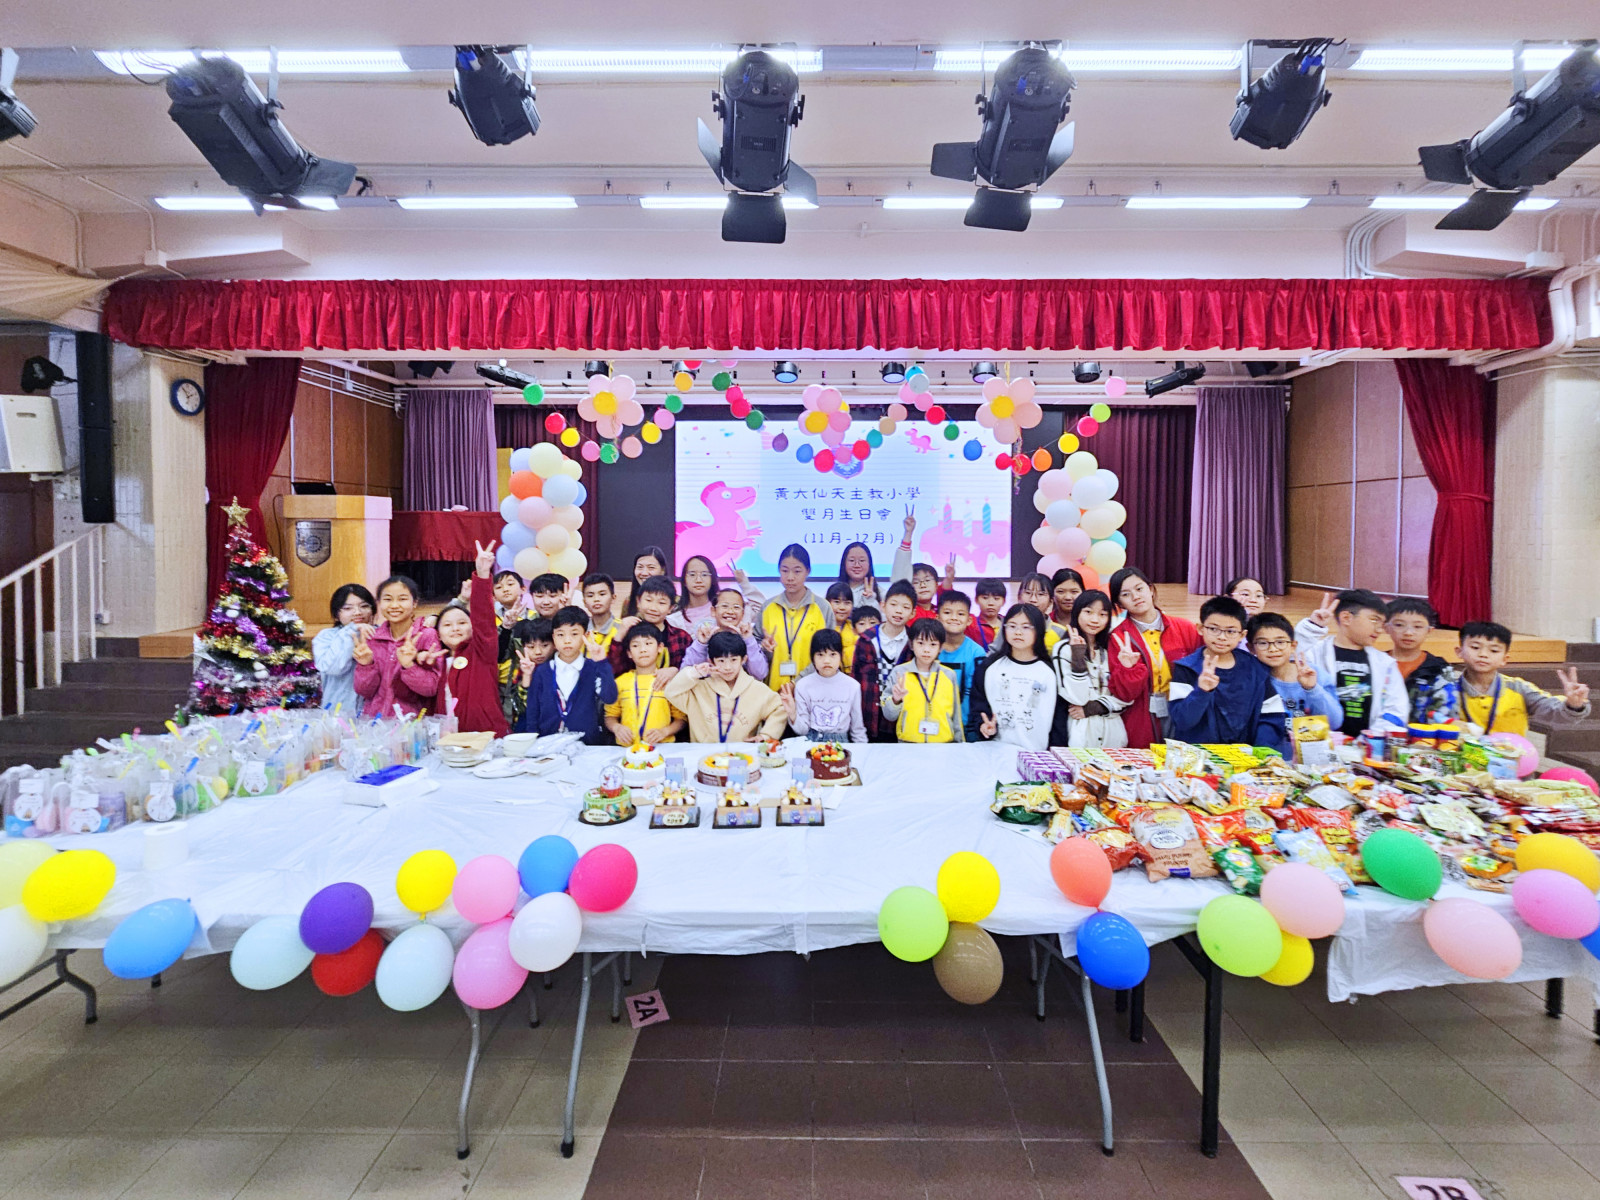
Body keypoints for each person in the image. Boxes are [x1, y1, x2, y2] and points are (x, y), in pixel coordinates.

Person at [1168, 596, 1288, 752]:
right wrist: (1202, 692)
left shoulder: (1256, 668)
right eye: (1213, 629)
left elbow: (1271, 715)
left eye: (1230, 631)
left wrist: (1259, 749)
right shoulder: (1186, 669)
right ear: (1200, 628)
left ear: (1242, 635)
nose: (1222, 637)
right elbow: (1182, 721)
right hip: (1198, 757)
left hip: (1245, 758)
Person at [1295, 589, 1410, 735]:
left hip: (1368, 745)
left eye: (1382, 623)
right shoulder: (1315, 653)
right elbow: (1291, 660)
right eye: (1374, 620)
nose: (1379, 629)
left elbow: (1396, 709)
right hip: (1319, 741)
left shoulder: (1385, 664)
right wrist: (1313, 627)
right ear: (1346, 618)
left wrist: (1370, 739)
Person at [1107, 566, 1201, 737]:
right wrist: (1129, 669)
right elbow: (1123, 694)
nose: (1136, 597)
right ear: (1119, 604)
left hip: (1183, 708)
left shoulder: (1185, 628)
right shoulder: (1118, 638)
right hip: (1141, 714)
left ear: (1150, 589)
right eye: (1126, 594)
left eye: (1139, 589)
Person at [1455, 621, 1591, 735]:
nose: (1483, 654)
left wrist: (1573, 705)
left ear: (1505, 659)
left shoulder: (1518, 688)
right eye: (1475, 647)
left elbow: (1552, 710)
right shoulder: (1448, 690)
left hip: (1510, 757)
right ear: (1459, 652)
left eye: (1494, 650)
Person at [435, 540, 509, 736]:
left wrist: (482, 576)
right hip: (447, 740)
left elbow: (484, 618)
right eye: (447, 625)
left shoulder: (482, 652)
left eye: (462, 623)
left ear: (472, 627)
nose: (455, 629)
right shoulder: (434, 660)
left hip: (487, 737)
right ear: (438, 633)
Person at [663, 630, 788, 743]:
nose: (728, 667)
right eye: (721, 661)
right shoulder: (699, 688)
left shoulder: (757, 689)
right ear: (711, 661)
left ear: (744, 660)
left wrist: (766, 735)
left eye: (733, 660)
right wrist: (694, 672)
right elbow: (671, 692)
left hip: (743, 755)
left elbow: (779, 708)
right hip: (703, 755)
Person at [515, 606, 616, 744]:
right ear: (553, 637)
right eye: (560, 635)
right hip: (547, 743)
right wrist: (533, 741)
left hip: (587, 743)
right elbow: (533, 711)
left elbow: (609, 697)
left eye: (574, 634)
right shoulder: (543, 671)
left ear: (586, 635)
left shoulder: (593, 668)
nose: (567, 640)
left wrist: (602, 663)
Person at [352, 574, 443, 718]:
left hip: (411, 722)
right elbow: (364, 692)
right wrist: (366, 665)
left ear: (414, 603)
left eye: (402, 599)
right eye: (388, 599)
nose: (394, 605)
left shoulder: (426, 635)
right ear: (379, 603)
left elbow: (431, 688)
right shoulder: (373, 637)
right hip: (376, 721)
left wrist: (409, 666)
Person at [1052, 589, 1132, 748]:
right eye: (1088, 612)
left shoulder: (1112, 648)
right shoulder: (1063, 649)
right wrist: (1078, 655)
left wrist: (1095, 707)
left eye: (1102, 614)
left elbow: (1127, 697)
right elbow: (1077, 698)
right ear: (1077, 612)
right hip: (1081, 731)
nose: (1095, 620)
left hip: (1113, 731)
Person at [971, 603, 1055, 750]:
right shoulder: (989, 667)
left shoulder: (1048, 671)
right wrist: (983, 725)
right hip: (996, 751)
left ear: (1039, 630)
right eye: (1012, 626)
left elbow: (1057, 719)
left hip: (1037, 754)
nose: (1018, 632)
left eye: (1026, 627)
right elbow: (979, 707)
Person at [758, 544, 831, 689]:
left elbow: (829, 652)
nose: (790, 577)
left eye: (797, 571)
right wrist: (764, 648)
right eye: (785, 571)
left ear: (808, 571)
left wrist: (797, 683)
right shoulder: (768, 607)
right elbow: (754, 650)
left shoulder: (822, 607)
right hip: (773, 691)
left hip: (813, 690)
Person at [1245, 612, 1342, 721]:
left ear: (1293, 646)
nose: (1273, 649)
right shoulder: (1249, 680)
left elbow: (1335, 722)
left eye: (1280, 642)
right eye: (1263, 643)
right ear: (1251, 648)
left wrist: (1312, 689)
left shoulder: (1314, 674)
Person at [881, 618, 965, 743]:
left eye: (933, 644)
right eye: (920, 643)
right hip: (909, 744)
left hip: (944, 745)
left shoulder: (949, 675)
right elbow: (889, 716)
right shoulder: (900, 673)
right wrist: (895, 700)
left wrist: (960, 744)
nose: (926, 650)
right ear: (911, 644)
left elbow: (956, 715)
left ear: (940, 647)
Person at [780, 628, 867, 743]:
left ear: (841, 656)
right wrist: (792, 714)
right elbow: (803, 731)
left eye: (832, 654)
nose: (826, 661)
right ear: (813, 658)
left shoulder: (852, 686)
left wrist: (862, 750)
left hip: (841, 743)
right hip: (811, 741)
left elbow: (857, 729)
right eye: (820, 655)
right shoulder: (803, 685)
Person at [604, 624, 685, 745]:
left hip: (662, 747)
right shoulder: (620, 682)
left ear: (660, 647)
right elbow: (610, 716)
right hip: (628, 749)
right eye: (635, 645)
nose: (642, 650)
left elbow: (681, 719)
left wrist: (665, 732)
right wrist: (617, 727)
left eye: (648, 643)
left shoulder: (667, 681)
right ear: (629, 653)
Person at [1385, 598, 1457, 723]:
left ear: (1429, 630)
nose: (1408, 632)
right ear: (1386, 627)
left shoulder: (1439, 669)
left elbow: (1446, 712)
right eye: (1399, 625)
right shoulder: (1375, 663)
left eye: (1417, 626)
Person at [861, 580, 916, 741]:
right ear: (883, 606)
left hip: (903, 722)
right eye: (893, 604)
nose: (899, 611)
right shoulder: (866, 639)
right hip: (869, 718)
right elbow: (856, 681)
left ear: (913, 613)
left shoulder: (915, 643)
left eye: (905, 607)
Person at [312, 583, 375, 714]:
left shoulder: (379, 634)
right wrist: (351, 631)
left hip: (372, 713)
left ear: (373, 610)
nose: (357, 612)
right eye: (347, 608)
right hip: (337, 712)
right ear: (336, 614)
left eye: (364, 606)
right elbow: (333, 668)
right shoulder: (326, 637)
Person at [609, 576, 693, 673]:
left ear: (671, 608)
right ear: (638, 602)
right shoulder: (626, 633)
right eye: (648, 600)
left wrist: (675, 671)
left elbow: (692, 669)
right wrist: (619, 636)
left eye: (661, 603)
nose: (653, 608)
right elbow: (612, 670)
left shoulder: (682, 637)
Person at [836, 508, 915, 611]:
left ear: (870, 564)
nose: (857, 565)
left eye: (862, 560)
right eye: (851, 560)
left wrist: (908, 533)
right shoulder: (834, 592)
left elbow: (901, 578)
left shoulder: (880, 594)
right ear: (844, 563)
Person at [682, 586, 769, 679]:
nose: (730, 611)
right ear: (713, 611)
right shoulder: (704, 637)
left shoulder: (748, 639)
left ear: (743, 613)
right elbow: (685, 674)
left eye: (736, 607)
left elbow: (760, 674)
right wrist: (701, 644)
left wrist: (749, 641)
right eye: (724, 606)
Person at [935, 589, 988, 738]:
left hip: (966, 726)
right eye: (947, 613)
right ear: (937, 617)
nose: (954, 618)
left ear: (969, 620)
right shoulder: (930, 648)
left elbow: (976, 692)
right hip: (934, 724)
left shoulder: (977, 653)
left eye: (960, 614)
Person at [500, 615, 552, 725]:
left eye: (545, 645)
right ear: (523, 646)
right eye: (531, 647)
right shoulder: (522, 668)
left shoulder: (557, 666)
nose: (538, 652)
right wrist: (527, 675)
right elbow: (523, 706)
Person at [667, 554, 720, 633]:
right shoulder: (673, 619)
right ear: (684, 580)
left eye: (704, 575)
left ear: (712, 579)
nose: (698, 580)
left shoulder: (722, 611)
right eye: (692, 575)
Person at [1016, 572, 1061, 650]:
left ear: (1051, 601)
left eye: (1041, 594)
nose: (1033, 600)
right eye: (1028, 593)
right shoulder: (1009, 626)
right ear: (1019, 597)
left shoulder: (1060, 632)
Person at [622, 545, 670, 617]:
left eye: (651, 567)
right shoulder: (629, 601)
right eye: (640, 567)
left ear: (663, 570)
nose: (644, 573)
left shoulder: (676, 602)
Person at [580, 573, 619, 655]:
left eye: (602, 594)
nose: (596, 599)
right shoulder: (579, 629)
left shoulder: (622, 628)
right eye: (590, 595)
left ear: (613, 598)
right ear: (584, 602)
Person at [824, 582, 860, 668]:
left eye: (847, 603)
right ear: (827, 603)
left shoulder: (855, 628)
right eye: (837, 602)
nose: (842, 607)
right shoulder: (820, 627)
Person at [967, 578, 1008, 650]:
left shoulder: (1009, 623)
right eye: (985, 598)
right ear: (976, 600)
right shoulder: (970, 623)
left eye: (996, 598)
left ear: (1004, 601)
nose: (990, 603)